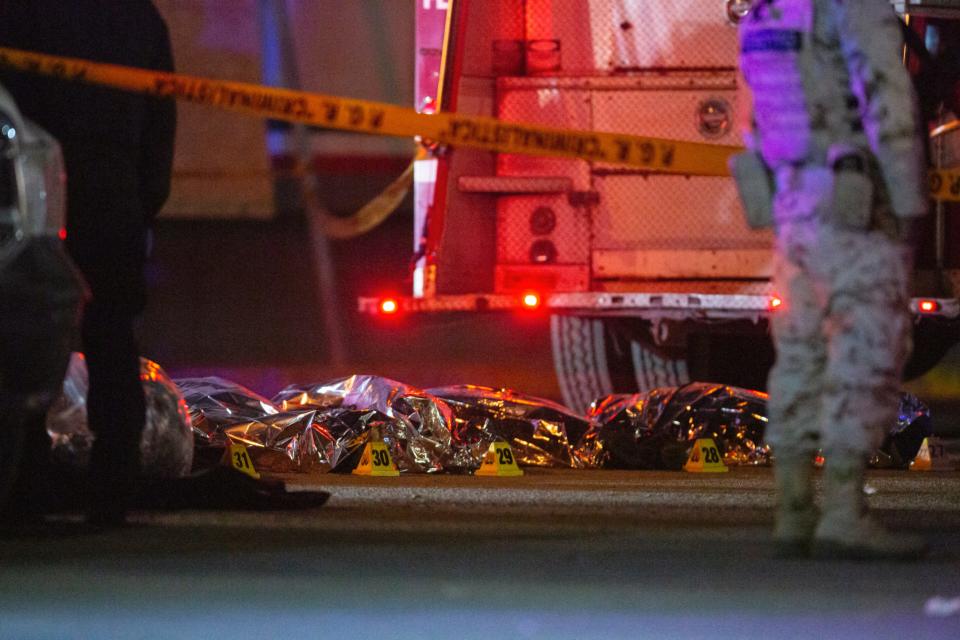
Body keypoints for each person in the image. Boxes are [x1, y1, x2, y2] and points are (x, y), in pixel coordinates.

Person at [731, 0, 928, 559]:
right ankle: (844, 512)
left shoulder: (764, 14)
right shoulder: (851, 8)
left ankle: (792, 510)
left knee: (799, 354)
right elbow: (888, 102)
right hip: (855, 200)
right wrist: (909, 205)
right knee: (864, 349)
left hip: (794, 203)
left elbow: (749, 119)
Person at [0, 0, 176, 525]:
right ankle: (114, 487)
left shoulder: (19, 15)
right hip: (113, 193)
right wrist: (143, 199)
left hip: (38, 196)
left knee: (25, 335)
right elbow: (160, 120)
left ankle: (27, 486)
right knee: (112, 340)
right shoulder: (139, 18)